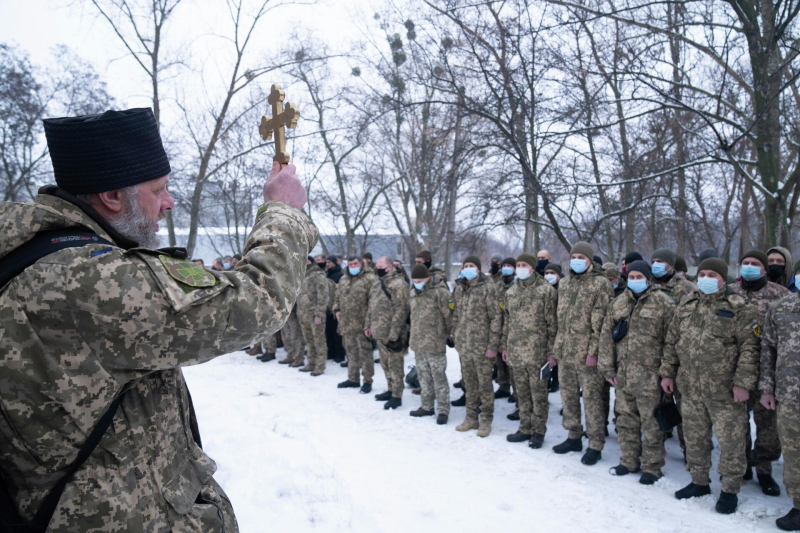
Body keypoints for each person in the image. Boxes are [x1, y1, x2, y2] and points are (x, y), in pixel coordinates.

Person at [0, 107, 314, 531]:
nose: (169, 202)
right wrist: (283, 212)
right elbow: (258, 302)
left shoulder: (32, 252)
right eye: (158, 189)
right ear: (112, 197)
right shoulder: (86, 276)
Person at [660, 257, 759, 515]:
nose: (705, 278)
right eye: (702, 274)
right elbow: (672, 342)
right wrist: (667, 374)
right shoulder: (687, 304)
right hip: (690, 387)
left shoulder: (740, 308)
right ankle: (699, 481)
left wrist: (743, 383)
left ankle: (730, 490)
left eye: (712, 275)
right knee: (694, 438)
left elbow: (750, 349)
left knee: (731, 442)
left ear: (723, 279)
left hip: (725, 391)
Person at [599, 261, 674, 485]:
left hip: (651, 377)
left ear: (648, 278)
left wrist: (667, 372)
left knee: (652, 424)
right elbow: (606, 337)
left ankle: (652, 467)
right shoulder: (619, 302)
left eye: (639, 276)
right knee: (625, 421)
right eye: (631, 277)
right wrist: (607, 368)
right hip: (623, 375)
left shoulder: (663, 302)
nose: (634, 280)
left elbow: (672, 340)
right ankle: (628, 461)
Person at [730, 250, 790, 495]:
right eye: (745, 263)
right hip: (735, 372)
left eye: (755, 263)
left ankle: (764, 469)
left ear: (764, 269)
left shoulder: (780, 295)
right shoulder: (730, 293)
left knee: (768, 427)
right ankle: (742, 464)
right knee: (737, 423)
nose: (749, 266)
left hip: (767, 372)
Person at [552, 241, 613, 465]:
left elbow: (602, 322)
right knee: (568, 397)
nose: (576, 261)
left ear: (589, 260)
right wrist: (556, 349)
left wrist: (593, 351)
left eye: (581, 257)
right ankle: (573, 436)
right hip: (565, 351)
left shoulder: (600, 284)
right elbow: (560, 320)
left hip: (587, 354)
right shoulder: (564, 283)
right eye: (573, 257)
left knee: (591, 399)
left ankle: (595, 444)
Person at [501, 253, 558, 448]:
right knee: (522, 394)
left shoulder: (545, 290)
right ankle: (524, 428)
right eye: (518, 265)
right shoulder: (512, 291)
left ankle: (538, 431)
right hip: (516, 352)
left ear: (533, 268)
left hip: (537, 354)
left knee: (538, 395)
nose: (520, 268)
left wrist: (552, 353)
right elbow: (507, 321)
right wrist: (505, 346)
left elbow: (553, 324)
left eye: (524, 265)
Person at [759, 258, 800, 530]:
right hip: (789, 395)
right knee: (794, 453)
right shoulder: (780, 308)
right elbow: (768, 350)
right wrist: (767, 388)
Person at [452, 255, 503, 438]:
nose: (468, 268)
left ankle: (486, 419)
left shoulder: (488, 287)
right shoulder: (460, 288)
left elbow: (496, 318)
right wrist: (456, 334)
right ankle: (471, 417)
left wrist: (493, 344)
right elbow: (456, 314)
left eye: (471, 265)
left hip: (482, 346)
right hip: (465, 345)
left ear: (479, 269)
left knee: (484, 384)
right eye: (465, 265)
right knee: (469, 383)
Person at [409, 264, 454, 424]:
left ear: (428, 278)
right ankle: (427, 406)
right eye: (415, 280)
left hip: (435, 342)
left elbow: (449, 316)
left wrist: (448, 334)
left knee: (438, 377)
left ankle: (443, 410)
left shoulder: (440, 292)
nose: (417, 283)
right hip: (418, 342)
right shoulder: (413, 293)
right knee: (423, 377)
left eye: (420, 280)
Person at [365, 256, 410, 409]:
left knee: (395, 364)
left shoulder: (399, 284)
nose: (377, 269)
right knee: (385, 363)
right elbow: (371, 306)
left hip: (392, 333)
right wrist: (368, 325)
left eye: (380, 267)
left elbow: (401, 310)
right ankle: (390, 389)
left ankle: (397, 395)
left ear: (389, 267)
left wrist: (394, 333)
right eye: (376, 267)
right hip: (379, 331)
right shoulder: (378, 283)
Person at [334, 256, 377, 393]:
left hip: (362, 323)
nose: (353, 267)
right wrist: (337, 309)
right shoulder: (343, 279)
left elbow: (373, 302)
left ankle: (367, 381)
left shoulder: (370, 279)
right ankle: (353, 379)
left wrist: (369, 323)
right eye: (351, 264)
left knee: (365, 353)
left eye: (355, 264)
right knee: (351, 352)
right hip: (347, 322)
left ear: (361, 264)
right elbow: (337, 296)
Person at [297, 256, 330, 376]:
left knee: (319, 341)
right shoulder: (301, 275)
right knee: (309, 341)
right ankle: (311, 363)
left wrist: (319, 314)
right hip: (304, 314)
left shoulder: (318, 275)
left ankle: (320, 365)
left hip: (315, 314)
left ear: (311, 262)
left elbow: (323, 295)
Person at [494, 257, 518, 400]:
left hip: (512, 328)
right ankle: (504, 386)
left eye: (509, 265)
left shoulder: (517, 285)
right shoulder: (498, 285)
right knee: (499, 360)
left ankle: (517, 393)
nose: (506, 267)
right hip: (498, 325)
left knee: (512, 362)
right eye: (504, 265)